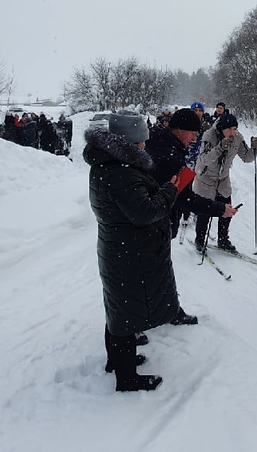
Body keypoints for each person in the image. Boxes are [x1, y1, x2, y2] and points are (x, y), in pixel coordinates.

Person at [83, 110, 179, 392]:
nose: (144, 146)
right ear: (128, 142)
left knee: (118, 307)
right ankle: (127, 378)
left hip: (120, 247)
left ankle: (117, 360)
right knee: (124, 315)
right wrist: (170, 192)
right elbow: (145, 212)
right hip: (130, 252)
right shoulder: (120, 172)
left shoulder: (107, 163)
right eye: (140, 142)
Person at [145, 107, 238, 325]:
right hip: (155, 223)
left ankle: (165, 311)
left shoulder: (161, 144)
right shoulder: (168, 156)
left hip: (155, 221)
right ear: (178, 130)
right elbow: (185, 199)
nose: (195, 138)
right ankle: (150, 318)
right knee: (154, 273)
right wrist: (220, 209)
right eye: (192, 133)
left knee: (157, 272)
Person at [191, 113, 257, 253]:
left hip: (222, 178)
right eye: (229, 129)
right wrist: (220, 148)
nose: (232, 132)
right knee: (205, 211)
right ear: (221, 128)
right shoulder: (209, 136)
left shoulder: (238, 138)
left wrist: (254, 149)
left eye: (235, 129)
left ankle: (223, 239)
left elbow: (246, 158)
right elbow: (204, 159)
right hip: (205, 178)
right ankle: (200, 239)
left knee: (226, 209)